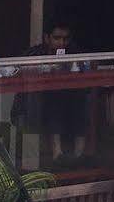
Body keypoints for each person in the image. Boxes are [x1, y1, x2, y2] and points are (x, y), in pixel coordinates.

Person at [23, 20, 87, 164]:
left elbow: (86, 69)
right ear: (47, 38)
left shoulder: (74, 52)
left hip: (70, 99)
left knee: (81, 101)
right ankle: (57, 153)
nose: (61, 42)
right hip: (40, 101)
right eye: (57, 38)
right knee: (54, 103)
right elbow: (23, 70)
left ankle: (79, 155)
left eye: (65, 39)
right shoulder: (35, 53)